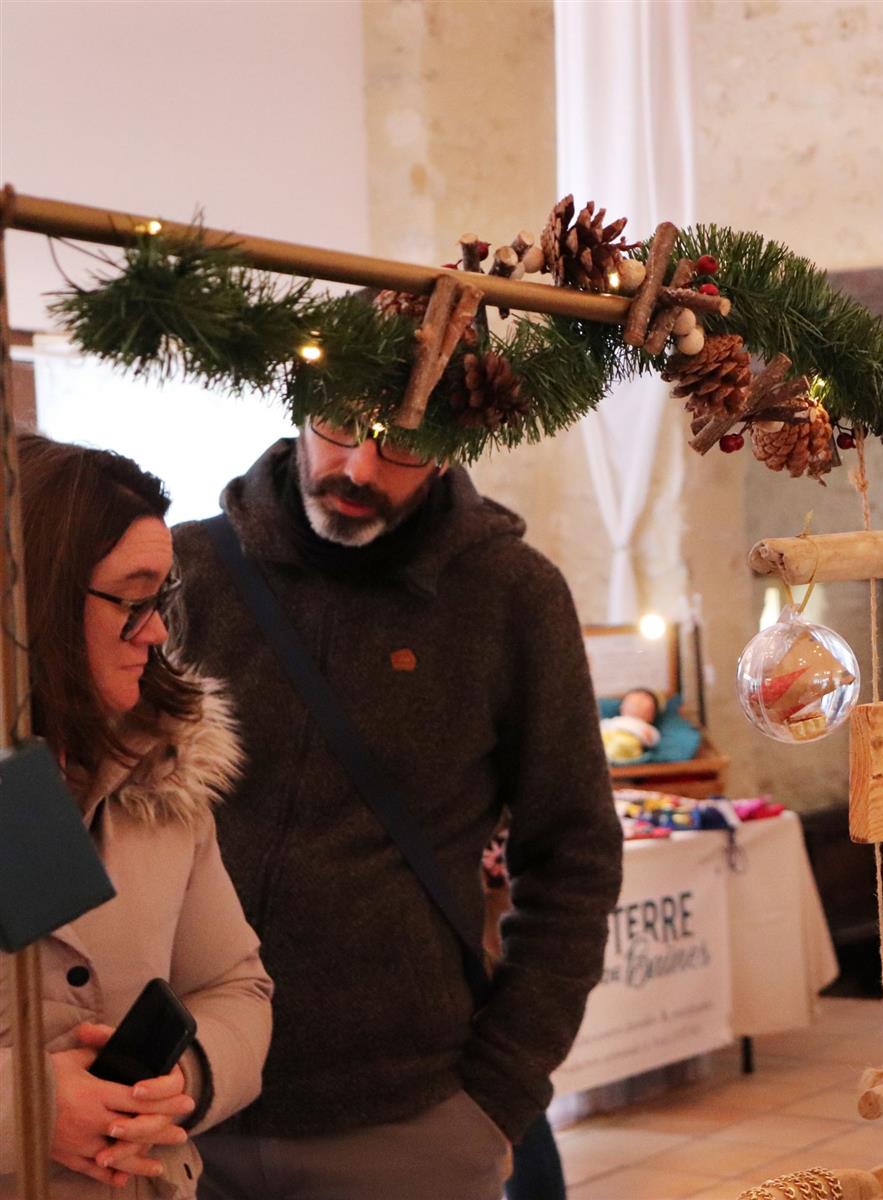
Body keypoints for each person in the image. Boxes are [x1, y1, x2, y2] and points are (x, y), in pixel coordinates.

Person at [170, 416, 622, 1199]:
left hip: (406, 1118)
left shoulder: (512, 594)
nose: (359, 467)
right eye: (340, 426)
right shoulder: (188, 568)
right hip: (180, 1097)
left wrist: (499, 1092)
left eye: (404, 443)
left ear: (453, 446)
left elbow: (574, 854)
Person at [2, 434, 271, 1199]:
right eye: (132, 598)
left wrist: (178, 1080)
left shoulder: (160, 771)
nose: (155, 632)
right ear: (38, 596)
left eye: (161, 601)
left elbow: (234, 988)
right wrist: (26, 1110)